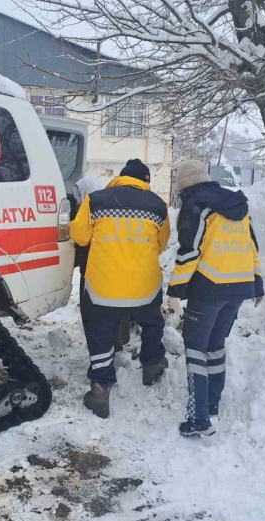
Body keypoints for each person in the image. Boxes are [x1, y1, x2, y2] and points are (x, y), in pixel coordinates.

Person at [167, 160, 264, 437]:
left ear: (184, 184)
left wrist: (175, 291)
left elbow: (189, 253)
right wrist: (257, 283)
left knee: (196, 347)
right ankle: (211, 407)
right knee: (215, 346)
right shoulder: (238, 205)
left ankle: (198, 419)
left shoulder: (197, 206)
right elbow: (252, 247)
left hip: (210, 287)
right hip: (240, 287)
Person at [71, 159, 170, 418]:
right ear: (145, 181)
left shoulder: (97, 200)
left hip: (104, 286)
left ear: (120, 178)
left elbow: (79, 236)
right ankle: (152, 366)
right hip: (144, 286)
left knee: (101, 333)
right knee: (152, 324)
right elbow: (161, 245)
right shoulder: (158, 205)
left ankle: (101, 389)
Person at [72, 177, 132, 351]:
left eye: (78, 196)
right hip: (118, 270)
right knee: (117, 310)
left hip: (94, 273)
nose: (77, 201)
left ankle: (104, 350)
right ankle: (117, 345)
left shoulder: (89, 211)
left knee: (94, 315)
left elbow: (82, 242)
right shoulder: (115, 208)